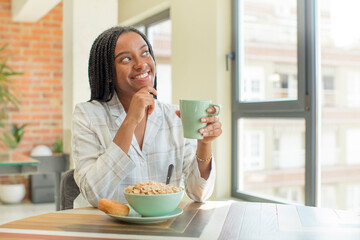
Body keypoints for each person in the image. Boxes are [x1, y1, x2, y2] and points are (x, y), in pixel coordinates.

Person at [72, 26, 222, 208]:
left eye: (145, 53)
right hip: (102, 228)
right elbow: (94, 195)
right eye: (126, 58)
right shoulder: (87, 115)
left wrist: (204, 144)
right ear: (108, 73)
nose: (141, 64)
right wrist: (130, 121)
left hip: (160, 228)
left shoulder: (174, 117)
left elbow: (199, 193)